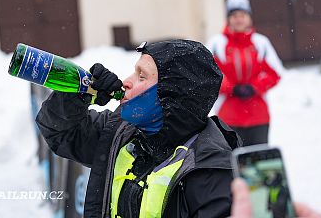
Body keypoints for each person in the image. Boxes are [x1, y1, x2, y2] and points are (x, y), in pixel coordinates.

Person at [36, 40, 241, 217]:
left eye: (141, 77)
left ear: (171, 96)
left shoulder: (212, 173)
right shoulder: (121, 133)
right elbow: (61, 132)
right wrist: (80, 94)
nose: (126, 82)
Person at [206, 0, 284, 146]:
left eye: (243, 15)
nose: (239, 19)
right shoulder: (216, 44)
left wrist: (254, 87)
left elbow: (275, 72)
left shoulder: (261, 43)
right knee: (230, 161)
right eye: (234, 15)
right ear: (228, 19)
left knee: (257, 161)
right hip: (228, 116)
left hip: (258, 115)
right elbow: (209, 73)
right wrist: (231, 88)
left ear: (249, 18)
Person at [231, 178, 321, 218]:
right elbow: (269, 198)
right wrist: (268, 206)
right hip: (274, 209)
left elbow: (285, 200)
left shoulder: (282, 189)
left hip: (280, 209)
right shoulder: (272, 188)